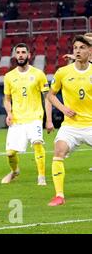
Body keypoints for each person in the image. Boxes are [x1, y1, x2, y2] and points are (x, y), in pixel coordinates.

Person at [47, 35, 92, 206]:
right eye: (75, 48)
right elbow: (50, 95)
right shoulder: (63, 72)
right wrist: (64, 109)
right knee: (58, 151)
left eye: (82, 47)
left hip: (90, 125)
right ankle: (59, 196)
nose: (78, 51)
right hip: (71, 126)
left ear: (89, 51)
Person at [1, 43, 53, 185]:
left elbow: (47, 98)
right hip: (17, 120)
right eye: (18, 52)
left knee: (37, 143)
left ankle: (41, 177)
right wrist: (9, 113)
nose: (21, 55)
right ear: (14, 55)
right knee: (10, 153)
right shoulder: (9, 76)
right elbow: (6, 99)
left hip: (35, 117)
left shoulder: (38, 74)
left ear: (29, 55)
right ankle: (15, 171)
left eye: (23, 52)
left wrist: (49, 120)